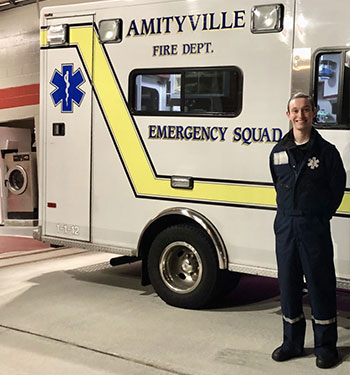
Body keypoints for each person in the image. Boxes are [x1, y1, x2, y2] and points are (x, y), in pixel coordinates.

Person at [269, 92, 346, 369]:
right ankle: (292, 342)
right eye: (295, 111)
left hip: (314, 227)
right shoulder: (278, 152)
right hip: (286, 227)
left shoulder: (327, 153)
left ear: (314, 113)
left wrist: (318, 216)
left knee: (320, 285)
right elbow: (278, 184)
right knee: (288, 285)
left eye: (305, 110)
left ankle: (326, 346)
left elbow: (337, 189)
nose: (300, 116)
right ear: (288, 115)